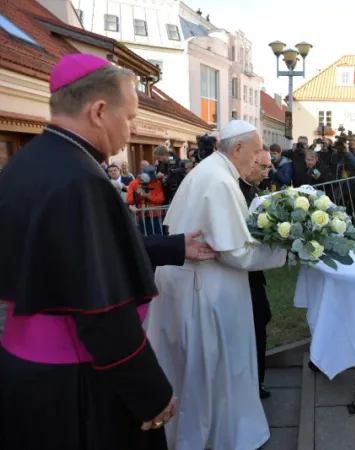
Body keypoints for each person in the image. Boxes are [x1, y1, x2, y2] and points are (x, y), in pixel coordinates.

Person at [0, 54, 216, 450]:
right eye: (131, 117)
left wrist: (173, 245)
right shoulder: (83, 179)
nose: (132, 129)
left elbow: (76, 254)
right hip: (80, 380)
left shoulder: (26, 163)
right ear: (99, 111)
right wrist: (150, 393)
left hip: (26, 374)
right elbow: (102, 315)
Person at [146, 120, 288, 450]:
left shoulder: (210, 170)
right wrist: (284, 252)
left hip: (189, 281)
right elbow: (234, 253)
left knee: (193, 367)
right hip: (204, 289)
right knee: (211, 368)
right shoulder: (220, 180)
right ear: (236, 148)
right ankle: (219, 436)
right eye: (255, 153)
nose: (257, 160)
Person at [238, 149, 274, 398]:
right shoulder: (234, 190)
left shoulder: (251, 189)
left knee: (261, 320)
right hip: (240, 276)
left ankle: (257, 380)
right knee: (254, 324)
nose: (266, 172)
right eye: (263, 167)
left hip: (253, 274)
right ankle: (251, 382)